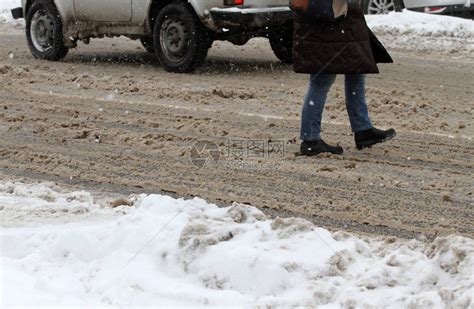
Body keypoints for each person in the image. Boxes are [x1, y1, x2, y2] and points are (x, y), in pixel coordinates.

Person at [292, 0, 397, 156]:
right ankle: (310, 140)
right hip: (328, 19)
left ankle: (363, 129)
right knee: (321, 80)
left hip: (338, 20)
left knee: (356, 70)